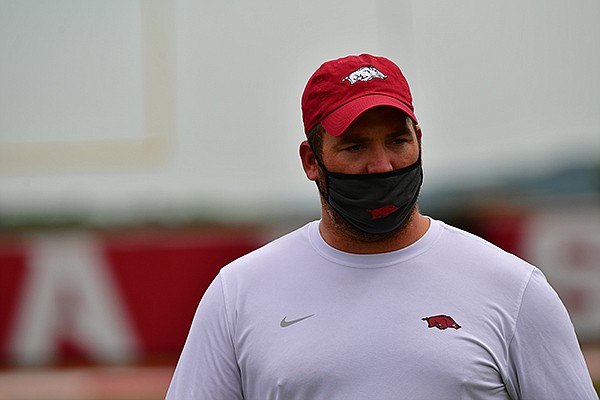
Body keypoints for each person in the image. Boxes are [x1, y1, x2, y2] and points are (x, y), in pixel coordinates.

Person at [165, 54, 598, 399]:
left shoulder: (513, 288)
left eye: (397, 141)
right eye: (354, 146)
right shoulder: (239, 293)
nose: (381, 166)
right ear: (311, 161)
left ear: (420, 141)